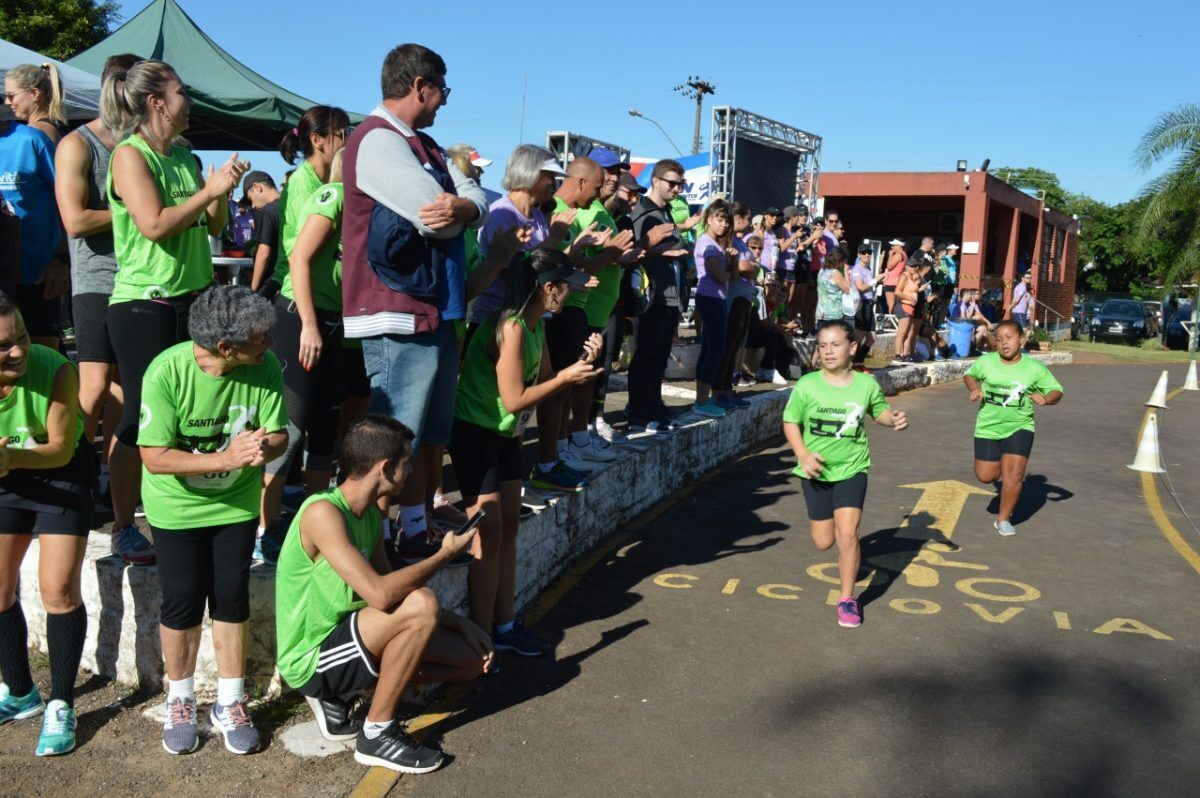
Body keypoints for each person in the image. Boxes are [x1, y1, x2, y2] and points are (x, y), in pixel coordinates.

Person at [275, 416, 490, 774]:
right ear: (386, 468)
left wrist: (461, 625)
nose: (412, 471)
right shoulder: (322, 513)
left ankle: (344, 694)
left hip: (355, 639)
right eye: (408, 463)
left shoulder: (372, 517)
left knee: (470, 661)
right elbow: (381, 595)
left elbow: (392, 586)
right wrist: (444, 556)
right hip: (312, 658)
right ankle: (376, 734)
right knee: (422, 603)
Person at [342, 44, 488, 565]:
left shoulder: (418, 143)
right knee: (391, 439)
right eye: (442, 90)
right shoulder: (378, 141)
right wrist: (466, 203)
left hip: (430, 306)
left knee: (423, 435)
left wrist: (467, 201)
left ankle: (413, 527)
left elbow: (474, 204)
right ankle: (372, 545)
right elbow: (435, 217)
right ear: (420, 86)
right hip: (397, 308)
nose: (444, 102)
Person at [103, 60, 249, 567]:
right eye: (183, 91)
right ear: (156, 102)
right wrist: (208, 193)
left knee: (186, 413)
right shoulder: (129, 155)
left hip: (193, 299)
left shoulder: (186, 158)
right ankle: (124, 524)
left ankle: (180, 512)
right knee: (141, 417)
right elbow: (154, 225)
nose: (192, 100)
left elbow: (212, 224)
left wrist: (221, 191)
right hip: (144, 303)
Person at [138, 285, 288, 755]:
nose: (269, 343)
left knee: (231, 597)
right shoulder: (166, 371)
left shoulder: (265, 367)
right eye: (260, 338)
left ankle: (230, 701)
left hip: (236, 505)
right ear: (226, 348)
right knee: (182, 600)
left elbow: (280, 434)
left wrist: (266, 447)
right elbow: (155, 457)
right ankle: (180, 700)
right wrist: (224, 457)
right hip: (176, 507)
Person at [451, 249, 599, 659]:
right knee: (489, 534)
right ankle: (482, 637)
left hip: (503, 435)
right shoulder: (512, 328)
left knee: (509, 529)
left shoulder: (535, 325)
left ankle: (505, 625)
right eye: (566, 286)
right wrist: (568, 376)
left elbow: (549, 381)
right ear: (548, 288)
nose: (570, 293)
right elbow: (516, 399)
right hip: (475, 433)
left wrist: (583, 362)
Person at [0, 292, 93, 755]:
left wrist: (8, 456)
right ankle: (20, 692)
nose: (17, 350)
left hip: (59, 476)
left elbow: (59, 447)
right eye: (3, 347)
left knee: (58, 590)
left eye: (19, 336)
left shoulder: (54, 366)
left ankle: (62, 703)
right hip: (5, 479)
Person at [782, 319, 908, 628]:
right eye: (822, 345)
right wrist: (802, 454)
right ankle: (844, 561)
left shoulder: (866, 384)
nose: (827, 351)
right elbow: (790, 422)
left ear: (852, 347)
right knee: (824, 541)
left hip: (853, 468)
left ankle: (848, 598)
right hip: (815, 472)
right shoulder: (807, 384)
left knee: (848, 533)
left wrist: (892, 419)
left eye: (835, 344)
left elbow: (879, 412)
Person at [53, 53, 140, 482]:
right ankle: (70, 475)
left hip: (143, 283)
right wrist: (143, 212)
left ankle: (110, 483)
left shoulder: (146, 146)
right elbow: (75, 220)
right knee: (93, 386)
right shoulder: (77, 143)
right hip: (97, 282)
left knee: (129, 392)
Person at [258, 151, 348, 561]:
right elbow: (298, 258)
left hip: (335, 324)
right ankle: (265, 527)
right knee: (289, 429)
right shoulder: (335, 194)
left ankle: (316, 524)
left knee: (326, 428)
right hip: (301, 319)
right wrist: (309, 324)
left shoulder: (363, 204)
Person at [963, 319, 1063, 536]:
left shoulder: (1034, 368)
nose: (1004, 343)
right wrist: (974, 388)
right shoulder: (987, 361)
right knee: (986, 476)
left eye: (1009, 338)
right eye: (999, 339)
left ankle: (1004, 518)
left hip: (1020, 425)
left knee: (1014, 475)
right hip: (988, 426)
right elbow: (969, 375)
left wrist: (1046, 399)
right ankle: (999, 468)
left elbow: (1057, 390)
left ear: (1022, 340)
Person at [627, 160, 689, 432]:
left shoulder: (665, 212)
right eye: (671, 183)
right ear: (655, 181)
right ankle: (640, 411)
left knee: (660, 355)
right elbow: (636, 252)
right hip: (653, 296)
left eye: (680, 184)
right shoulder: (644, 212)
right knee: (647, 355)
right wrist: (662, 251)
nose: (677, 189)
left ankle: (653, 403)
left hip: (671, 295)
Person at [0, 101, 66, 351]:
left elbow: (66, 199)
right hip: (3, 277)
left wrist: (60, 258)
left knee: (41, 357)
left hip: (37, 275)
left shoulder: (30, 140)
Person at [691, 200, 735, 417]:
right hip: (710, 298)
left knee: (710, 348)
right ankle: (701, 400)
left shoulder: (716, 244)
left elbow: (731, 276)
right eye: (720, 219)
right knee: (715, 349)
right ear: (709, 219)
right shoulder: (706, 243)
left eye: (726, 220)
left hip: (715, 298)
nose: (723, 225)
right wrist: (729, 266)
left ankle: (701, 399)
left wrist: (731, 262)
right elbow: (721, 276)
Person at [4, 63, 67, 144]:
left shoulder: (31, 133)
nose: (7, 102)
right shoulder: (56, 126)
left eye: (11, 95)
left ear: (35, 93)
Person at [241, 171, 282, 295]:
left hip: (273, 281)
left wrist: (253, 288)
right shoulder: (289, 204)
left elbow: (264, 253)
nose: (253, 204)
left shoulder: (268, 211)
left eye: (250, 198)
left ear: (257, 187)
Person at [849, 243, 883, 370]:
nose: (867, 255)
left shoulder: (868, 269)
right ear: (859, 255)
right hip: (861, 304)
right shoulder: (857, 269)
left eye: (869, 253)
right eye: (864, 253)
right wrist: (874, 280)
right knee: (859, 336)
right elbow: (860, 287)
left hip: (869, 303)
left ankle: (859, 361)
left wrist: (877, 281)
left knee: (872, 337)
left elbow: (869, 286)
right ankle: (852, 363)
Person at [891, 258, 922, 364]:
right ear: (907, 266)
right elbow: (897, 291)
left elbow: (911, 290)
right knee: (902, 332)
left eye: (916, 266)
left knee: (907, 332)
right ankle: (897, 355)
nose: (915, 268)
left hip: (909, 307)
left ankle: (904, 354)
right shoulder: (904, 276)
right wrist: (910, 299)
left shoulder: (911, 276)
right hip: (904, 305)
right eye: (912, 266)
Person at [815, 246, 851, 323]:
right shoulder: (835, 273)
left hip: (822, 312)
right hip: (834, 314)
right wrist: (846, 272)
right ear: (839, 261)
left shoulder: (822, 271)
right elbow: (848, 289)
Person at [882, 238, 907, 315]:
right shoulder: (904, 254)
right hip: (897, 281)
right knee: (895, 304)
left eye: (893, 245)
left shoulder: (898, 254)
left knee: (891, 304)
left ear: (899, 246)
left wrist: (890, 256)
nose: (891, 247)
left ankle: (891, 322)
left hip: (891, 282)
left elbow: (889, 266)